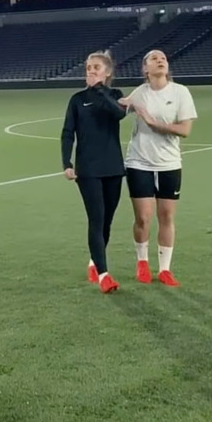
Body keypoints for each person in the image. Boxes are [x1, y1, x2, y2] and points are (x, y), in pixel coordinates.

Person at [120, 49, 198, 286]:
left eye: (163, 58)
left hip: (169, 163)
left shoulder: (180, 92)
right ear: (145, 69)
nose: (160, 60)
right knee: (143, 217)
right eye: (154, 58)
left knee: (166, 216)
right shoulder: (139, 94)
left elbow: (185, 130)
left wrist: (154, 123)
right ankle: (142, 262)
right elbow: (118, 108)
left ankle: (165, 269)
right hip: (139, 162)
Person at [60, 49, 129, 294]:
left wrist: (99, 89)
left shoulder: (115, 95)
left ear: (107, 72)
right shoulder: (77, 99)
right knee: (96, 219)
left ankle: (94, 261)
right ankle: (104, 275)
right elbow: (68, 132)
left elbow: (118, 113)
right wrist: (66, 163)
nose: (91, 72)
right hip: (88, 170)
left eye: (96, 68)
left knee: (107, 221)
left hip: (113, 167)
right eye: (88, 68)